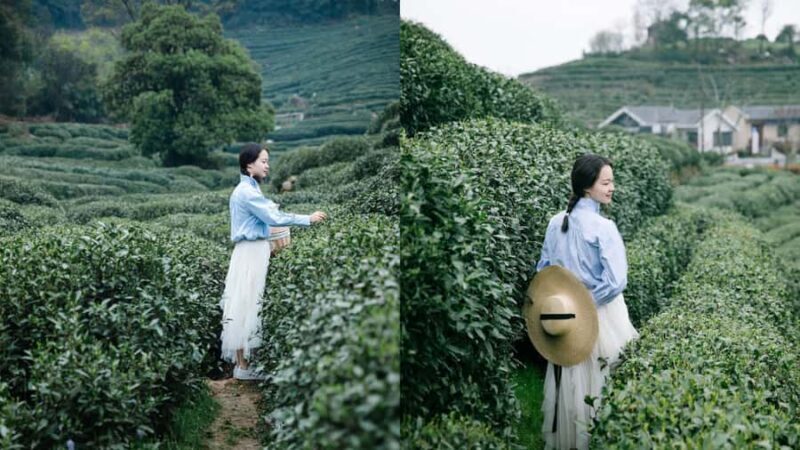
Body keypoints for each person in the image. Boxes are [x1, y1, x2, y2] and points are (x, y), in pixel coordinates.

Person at [535, 153, 639, 449]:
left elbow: (543, 270)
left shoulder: (555, 222)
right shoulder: (603, 227)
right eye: (605, 183)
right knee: (603, 381)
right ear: (586, 187)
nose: (612, 188)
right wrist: (586, 302)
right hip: (601, 312)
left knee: (571, 378)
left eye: (612, 182)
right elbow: (616, 281)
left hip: (564, 314)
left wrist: (566, 302)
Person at [219, 143, 327, 380]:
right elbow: (272, 217)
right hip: (251, 252)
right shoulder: (247, 192)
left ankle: (243, 366)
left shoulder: (248, 189)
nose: (267, 166)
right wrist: (307, 219)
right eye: (264, 161)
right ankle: (244, 368)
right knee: (248, 305)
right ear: (249, 165)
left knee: (244, 304)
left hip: (248, 251)